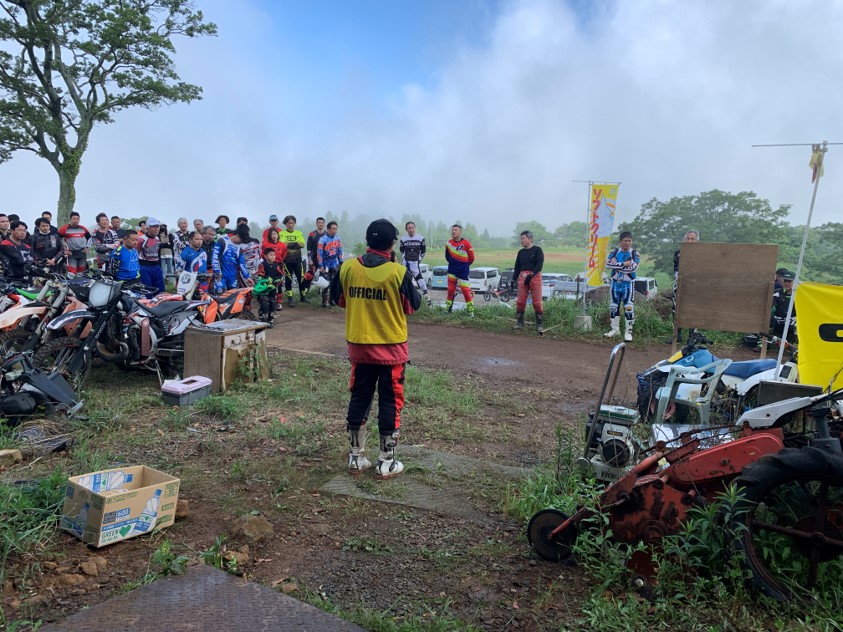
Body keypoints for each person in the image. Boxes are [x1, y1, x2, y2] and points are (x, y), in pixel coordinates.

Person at [330, 219, 421, 478]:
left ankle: (355, 457)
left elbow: (339, 299)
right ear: (392, 244)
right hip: (391, 349)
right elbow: (412, 306)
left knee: (360, 396)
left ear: (367, 241)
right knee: (390, 400)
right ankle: (386, 461)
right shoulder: (398, 272)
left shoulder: (348, 268)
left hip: (359, 347)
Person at [604, 231, 640, 342]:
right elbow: (607, 264)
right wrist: (623, 264)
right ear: (620, 242)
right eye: (625, 241)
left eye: (629, 241)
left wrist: (615, 265)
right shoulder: (615, 252)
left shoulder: (634, 253)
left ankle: (628, 332)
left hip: (628, 284)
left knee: (628, 307)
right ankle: (615, 329)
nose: (627, 243)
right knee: (613, 306)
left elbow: (633, 268)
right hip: (615, 283)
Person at [667, 229, 699, 344]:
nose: (690, 241)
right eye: (688, 238)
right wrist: (679, 279)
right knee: (676, 309)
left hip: (695, 285)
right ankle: (677, 335)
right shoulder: (678, 253)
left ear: (697, 241)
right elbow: (676, 269)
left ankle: (692, 336)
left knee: (693, 309)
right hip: (680, 283)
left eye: (692, 239)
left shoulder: (701, 254)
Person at [511, 230, 544, 332]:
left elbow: (539, 265)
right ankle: (519, 322)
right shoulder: (521, 252)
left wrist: (531, 275)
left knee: (537, 302)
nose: (521, 240)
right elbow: (517, 267)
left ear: (530, 239)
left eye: (523, 238)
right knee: (520, 301)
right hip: (522, 277)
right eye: (521, 239)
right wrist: (513, 280)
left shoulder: (538, 250)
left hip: (535, 277)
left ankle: (539, 324)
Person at [444, 223, 475, 317]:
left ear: (460, 232)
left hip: (463, 272)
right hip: (452, 270)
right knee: (450, 290)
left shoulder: (466, 243)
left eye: (455, 230)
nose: (453, 231)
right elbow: (447, 256)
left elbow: (471, 258)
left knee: (466, 291)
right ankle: (447, 309)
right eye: (452, 230)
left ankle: (470, 311)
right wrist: (454, 263)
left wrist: (464, 265)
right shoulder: (448, 243)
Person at [211, 224, 251, 292]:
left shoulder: (239, 248)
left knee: (233, 296)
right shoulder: (222, 241)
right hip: (221, 276)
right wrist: (217, 272)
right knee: (219, 294)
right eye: (240, 241)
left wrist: (247, 277)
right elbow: (214, 257)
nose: (240, 243)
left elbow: (242, 264)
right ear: (237, 236)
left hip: (232, 277)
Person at [400, 221, 431, 306]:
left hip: (415, 263)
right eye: (409, 228)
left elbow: (423, 252)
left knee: (420, 281)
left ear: (415, 228)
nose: (411, 230)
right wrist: (404, 259)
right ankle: (402, 301)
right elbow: (401, 252)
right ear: (406, 229)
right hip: (405, 263)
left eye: (412, 227)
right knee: (403, 281)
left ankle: (428, 300)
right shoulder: (403, 239)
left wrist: (418, 260)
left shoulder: (421, 238)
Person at [280, 215, 306, 307]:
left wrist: (289, 245)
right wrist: (296, 244)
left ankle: (303, 297)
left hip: (298, 260)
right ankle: (290, 299)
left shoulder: (299, 233)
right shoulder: (281, 233)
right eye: (289, 223)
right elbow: (283, 245)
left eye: (292, 223)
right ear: (285, 224)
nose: (291, 225)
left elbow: (302, 244)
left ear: (295, 223)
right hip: (287, 260)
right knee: (288, 279)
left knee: (301, 278)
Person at [317, 220, 342, 308]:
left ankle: (332, 300)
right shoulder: (322, 240)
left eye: (336, 229)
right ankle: (325, 302)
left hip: (334, 264)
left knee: (334, 282)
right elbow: (319, 253)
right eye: (333, 229)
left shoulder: (338, 239)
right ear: (328, 229)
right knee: (325, 283)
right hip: (325, 264)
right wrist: (321, 265)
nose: (334, 231)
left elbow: (339, 251)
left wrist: (341, 261)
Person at [256, 247, 284, 324]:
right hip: (264, 288)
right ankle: (262, 317)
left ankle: (271, 318)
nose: (273, 257)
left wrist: (277, 280)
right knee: (265, 303)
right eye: (271, 255)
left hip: (273, 287)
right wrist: (264, 281)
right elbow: (260, 275)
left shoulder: (276, 265)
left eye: (274, 255)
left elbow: (280, 274)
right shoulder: (262, 265)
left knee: (273, 303)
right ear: (265, 256)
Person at [58, 212, 92, 277]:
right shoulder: (65, 228)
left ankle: (80, 283)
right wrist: (64, 250)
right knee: (72, 272)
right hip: (71, 254)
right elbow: (57, 238)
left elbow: (90, 238)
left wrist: (88, 247)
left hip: (82, 253)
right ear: (70, 219)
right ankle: (67, 283)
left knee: (81, 272)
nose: (76, 220)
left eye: (77, 219)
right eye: (74, 219)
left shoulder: (83, 228)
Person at [137, 218, 165, 294]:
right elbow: (137, 252)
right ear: (148, 228)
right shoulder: (141, 239)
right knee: (147, 290)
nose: (156, 229)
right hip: (145, 267)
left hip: (156, 266)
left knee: (160, 290)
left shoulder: (157, 239)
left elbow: (157, 252)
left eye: (158, 226)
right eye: (154, 227)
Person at [771, 270, 797, 342]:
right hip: (778, 323)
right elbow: (769, 308)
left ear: (795, 282)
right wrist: (773, 318)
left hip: (792, 325)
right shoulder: (777, 293)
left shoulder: (799, 295)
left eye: (789, 281)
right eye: (785, 281)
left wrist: (795, 320)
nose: (787, 283)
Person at [179, 230, 209, 295]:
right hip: (190, 283)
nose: (199, 241)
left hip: (203, 282)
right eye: (197, 239)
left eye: (201, 239)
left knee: (205, 299)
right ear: (190, 240)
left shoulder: (203, 252)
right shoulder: (185, 253)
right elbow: (179, 271)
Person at [306, 217, 326, 293]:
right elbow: (309, 249)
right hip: (314, 259)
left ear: (324, 224)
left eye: (322, 223)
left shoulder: (327, 234)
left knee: (324, 277)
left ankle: (322, 294)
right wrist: (310, 260)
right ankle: (305, 293)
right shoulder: (312, 234)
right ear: (316, 224)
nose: (320, 224)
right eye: (319, 222)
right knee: (309, 276)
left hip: (324, 260)